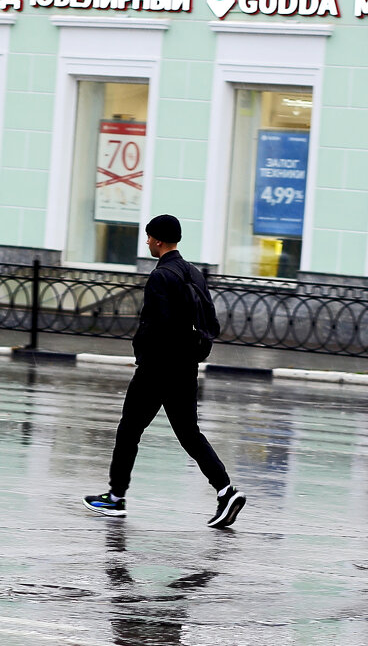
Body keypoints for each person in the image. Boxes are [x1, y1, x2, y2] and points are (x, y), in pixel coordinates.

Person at [84, 214, 246, 529]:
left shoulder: (161, 277)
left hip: (157, 368)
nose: (146, 242)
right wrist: (195, 353)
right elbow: (210, 324)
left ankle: (116, 498)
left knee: (128, 430)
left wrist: (141, 356)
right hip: (185, 367)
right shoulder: (194, 274)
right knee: (189, 434)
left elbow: (155, 324)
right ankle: (226, 492)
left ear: (158, 240)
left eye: (148, 238)